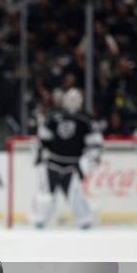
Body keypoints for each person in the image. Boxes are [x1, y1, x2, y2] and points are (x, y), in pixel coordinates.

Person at [32, 88, 103, 229]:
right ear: (65, 100)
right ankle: (39, 221)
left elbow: (94, 143)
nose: (72, 102)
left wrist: (92, 160)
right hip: (52, 163)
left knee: (75, 196)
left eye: (75, 99)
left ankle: (85, 222)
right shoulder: (53, 117)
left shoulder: (86, 120)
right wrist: (39, 155)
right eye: (70, 99)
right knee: (46, 196)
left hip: (72, 166)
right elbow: (42, 138)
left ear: (80, 102)